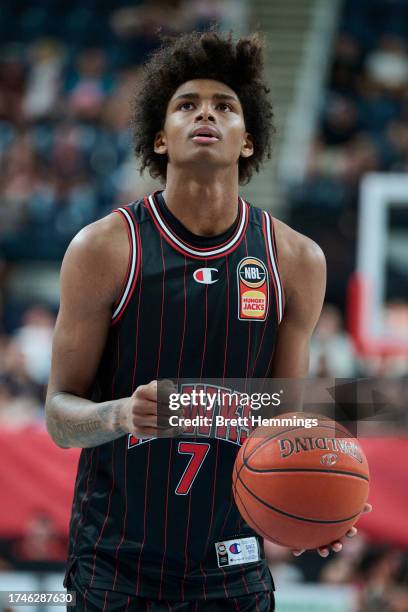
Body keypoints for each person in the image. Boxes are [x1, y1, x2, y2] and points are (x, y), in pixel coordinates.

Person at [45, 31, 370, 611]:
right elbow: (60, 417)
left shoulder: (295, 260)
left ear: (248, 142)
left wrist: (321, 500)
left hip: (234, 566)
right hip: (116, 562)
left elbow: (286, 418)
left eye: (225, 107)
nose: (206, 115)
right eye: (186, 104)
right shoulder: (104, 249)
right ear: (159, 138)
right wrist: (121, 412)